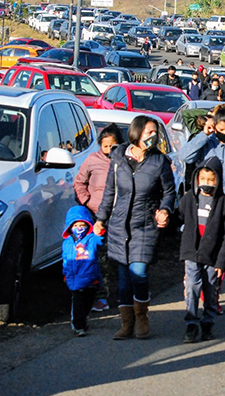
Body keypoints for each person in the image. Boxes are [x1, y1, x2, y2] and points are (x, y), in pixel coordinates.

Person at [94, 115, 176, 340]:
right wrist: (101, 219)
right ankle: (126, 323)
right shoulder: (118, 157)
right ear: (136, 133)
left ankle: (142, 318)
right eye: (149, 132)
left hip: (145, 225)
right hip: (120, 225)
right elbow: (109, 191)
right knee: (123, 279)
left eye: (155, 132)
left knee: (138, 273)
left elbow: (169, 192)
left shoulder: (159, 162)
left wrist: (164, 210)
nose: (153, 136)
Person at [178, 157, 225, 343]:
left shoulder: (223, 203)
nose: (207, 184)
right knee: (192, 286)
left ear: (218, 180)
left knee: (210, 290)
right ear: (196, 179)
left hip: (212, 255)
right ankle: (191, 323)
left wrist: (222, 261)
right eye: (203, 179)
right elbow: (178, 217)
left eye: (211, 180)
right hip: (191, 252)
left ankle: (208, 323)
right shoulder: (189, 199)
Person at [73, 124, 123, 312]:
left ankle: (121, 294)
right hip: (97, 216)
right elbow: (79, 183)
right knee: (100, 257)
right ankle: (101, 296)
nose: (109, 150)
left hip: (119, 215)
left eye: (112, 146)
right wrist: (87, 202)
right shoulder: (92, 160)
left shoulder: (125, 161)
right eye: (105, 146)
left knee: (118, 257)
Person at [179, 107, 225, 197]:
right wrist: (204, 135)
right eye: (221, 130)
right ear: (215, 127)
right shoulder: (206, 142)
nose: (224, 133)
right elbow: (185, 156)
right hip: (205, 196)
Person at [62, 205, 104, 337]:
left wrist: (100, 230)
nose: (79, 228)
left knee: (88, 301)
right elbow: (65, 259)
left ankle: (84, 319)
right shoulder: (67, 243)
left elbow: (101, 239)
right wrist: (65, 274)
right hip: (75, 278)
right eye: (76, 225)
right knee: (78, 302)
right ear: (70, 227)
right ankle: (78, 325)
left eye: (82, 225)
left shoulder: (91, 239)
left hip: (91, 277)